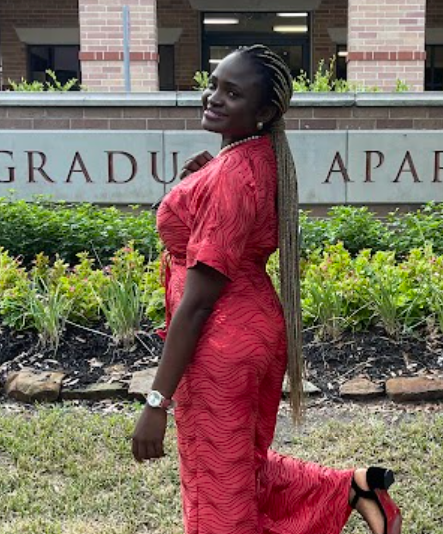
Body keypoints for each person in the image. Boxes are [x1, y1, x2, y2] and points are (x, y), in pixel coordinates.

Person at [131, 45, 402, 534]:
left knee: (217, 487)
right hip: (250, 329)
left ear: (264, 112)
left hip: (220, 341)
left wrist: (156, 403)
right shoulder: (254, 158)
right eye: (213, 84)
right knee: (239, 466)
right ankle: (353, 488)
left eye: (232, 93)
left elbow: (198, 303)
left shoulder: (233, 174)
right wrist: (200, 180)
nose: (213, 98)